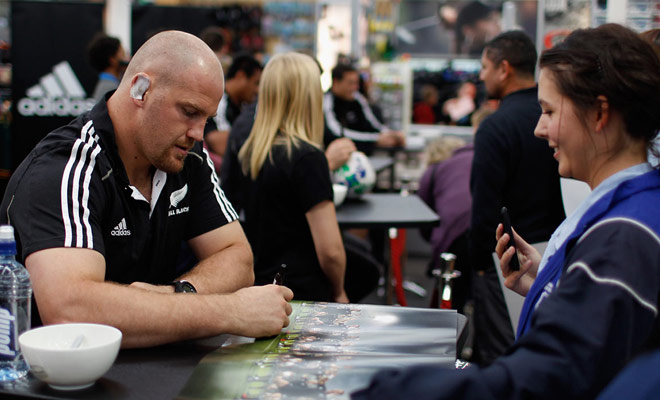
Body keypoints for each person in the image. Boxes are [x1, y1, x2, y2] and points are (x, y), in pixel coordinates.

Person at [352, 23, 660, 400]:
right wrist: (545, 286)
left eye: (548, 111)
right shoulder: (629, 214)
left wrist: (394, 389)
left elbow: (548, 376)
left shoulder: (625, 236)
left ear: (599, 114)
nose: (539, 128)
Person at [0, 31, 293, 349]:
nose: (197, 133)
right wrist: (230, 312)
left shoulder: (186, 157)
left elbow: (236, 257)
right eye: (189, 112)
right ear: (141, 90)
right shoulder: (67, 166)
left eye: (206, 119)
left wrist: (178, 294)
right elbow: (71, 310)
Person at [468, 30, 565, 365]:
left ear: (504, 68)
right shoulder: (556, 122)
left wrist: (479, 266)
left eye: (484, 67)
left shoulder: (495, 128)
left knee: (501, 359)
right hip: (554, 255)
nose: (481, 75)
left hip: (507, 262)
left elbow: (484, 210)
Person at [238, 52, 349, 303]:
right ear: (309, 97)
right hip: (304, 290)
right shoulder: (308, 158)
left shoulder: (251, 152)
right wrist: (340, 290)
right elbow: (331, 251)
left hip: (263, 284)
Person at [417, 136, 473, 312]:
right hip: (489, 229)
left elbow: (423, 215)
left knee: (452, 299)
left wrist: (435, 242)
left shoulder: (434, 170)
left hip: (455, 235)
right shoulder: (479, 157)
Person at [324, 63, 404, 156]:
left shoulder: (358, 99)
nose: (355, 87)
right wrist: (375, 139)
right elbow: (336, 133)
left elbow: (374, 124)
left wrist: (392, 135)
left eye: (356, 83)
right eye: (350, 83)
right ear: (336, 82)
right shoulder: (327, 102)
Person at [204, 54, 262, 162]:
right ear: (240, 76)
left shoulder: (244, 105)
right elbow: (218, 143)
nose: (257, 90)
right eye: (256, 83)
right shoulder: (219, 100)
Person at [87, 33, 129, 101]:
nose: (128, 59)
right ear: (112, 60)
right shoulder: (111, 89)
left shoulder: (106, 85)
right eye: (123, 54)